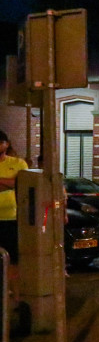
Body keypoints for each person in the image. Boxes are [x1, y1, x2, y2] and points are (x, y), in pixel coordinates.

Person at [0, 131, 28, 308]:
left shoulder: (18, 163)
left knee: (13, 261)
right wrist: (7, 182)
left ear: (6, 144)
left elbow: (19, 183)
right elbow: (10, 183)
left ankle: (16, 298)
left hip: (11, 219)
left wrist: (9, 183)